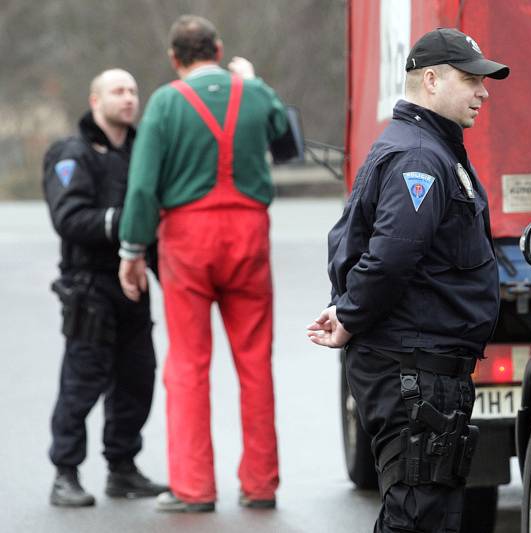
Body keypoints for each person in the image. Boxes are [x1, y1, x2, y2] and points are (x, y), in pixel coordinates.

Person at [307, 28, 509, 533]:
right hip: (413, 372)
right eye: (472, 80)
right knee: (417, 519)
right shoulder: (419, 157)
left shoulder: (434, 150)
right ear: (433, 80)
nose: (483, 92)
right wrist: (351, 316)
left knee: (424, 516)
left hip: (425, 370)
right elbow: (392, 256)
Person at [117, 15, 289, 513]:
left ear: (175, 59)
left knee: (189, 364)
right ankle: (261, 484)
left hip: (188, 240)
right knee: (255, 361)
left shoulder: (167, 102)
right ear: (217, 48)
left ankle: (194, 488)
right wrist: (254, 81)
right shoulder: (254, 93)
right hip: (249, 234)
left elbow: (144, 186)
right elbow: (281, 132)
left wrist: (131, 251)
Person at [43, 69, 167, 507]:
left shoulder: (141, 151)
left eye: (134, 90)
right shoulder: (71, 153)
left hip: (133, 286)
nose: (129, 98)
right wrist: (125, 223)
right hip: (90, 286)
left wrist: (168, 274)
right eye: (118, 91)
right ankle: (65, 472)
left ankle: (122, 469)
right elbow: (69, 218)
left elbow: (158, 221)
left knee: (137, 380)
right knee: (81, 383)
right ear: (95, 100)